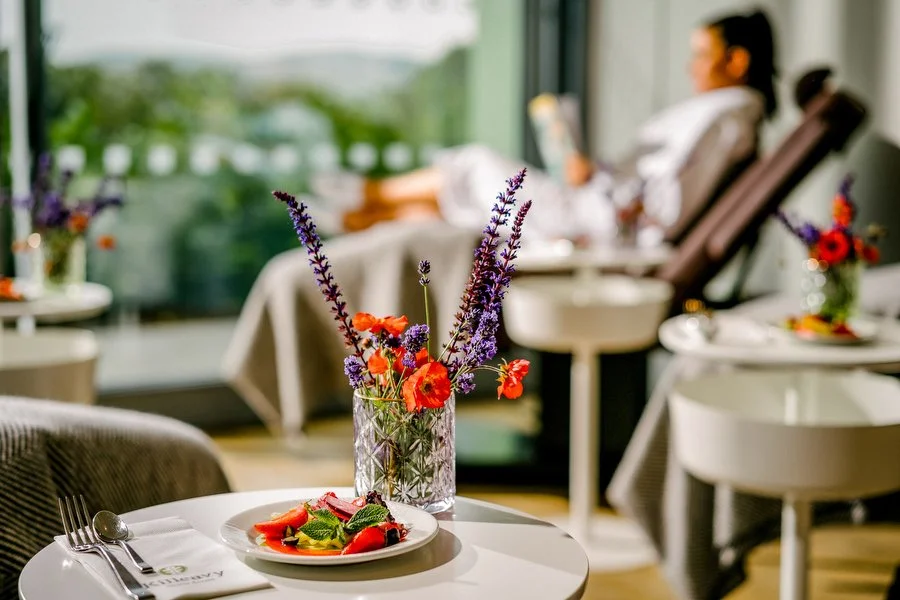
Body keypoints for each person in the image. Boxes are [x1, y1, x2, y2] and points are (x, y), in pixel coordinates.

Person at [317, 9, 779, 246]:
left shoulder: (724, 117)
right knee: (466, 203)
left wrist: (593, 175)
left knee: (477, 162)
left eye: (701, 54)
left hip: (591, 224)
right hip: (594, 211)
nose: (690, 66)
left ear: (737, 60)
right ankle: (362, 216)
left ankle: (368, 197)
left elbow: (666, 206)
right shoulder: (725, 116)